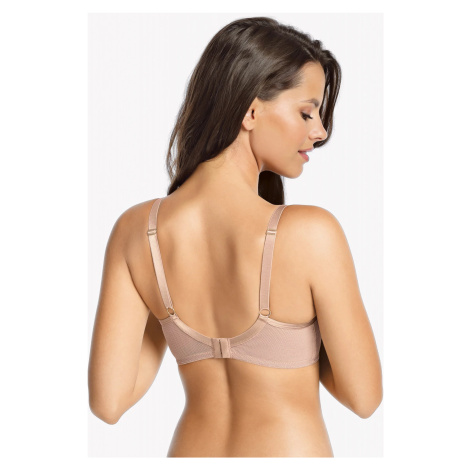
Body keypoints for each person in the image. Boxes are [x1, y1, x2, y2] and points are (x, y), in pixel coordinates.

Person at [88, 16, 383, 457]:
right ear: (250, 111)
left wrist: (180, 311)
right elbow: (363, 398)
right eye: (306, 112)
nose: (320, 132)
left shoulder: (136, 232)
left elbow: (109, 403)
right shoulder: (311, 234)